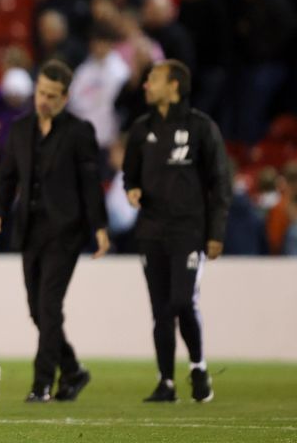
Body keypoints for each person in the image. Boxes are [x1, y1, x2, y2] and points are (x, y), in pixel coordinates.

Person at [0, 60, 109, 403]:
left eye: (52, 96)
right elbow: (8, 177)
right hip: (30, 228)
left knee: (49, 306)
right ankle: (73, 371)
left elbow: (90, 184)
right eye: (41, 92)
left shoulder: (80, 132)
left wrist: (99, 226)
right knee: (37, 309)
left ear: (65, 98)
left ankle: (42, 383)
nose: (44, 100)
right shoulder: (21, 128)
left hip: (66, 230)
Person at [122, 59, 231, 403]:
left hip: (189, 231)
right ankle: (165, 382)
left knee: (183, 301)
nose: (145, 85)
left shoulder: (201, 128)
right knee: (161, 311)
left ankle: (198, 367)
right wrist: (132, 189)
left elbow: (220, 183)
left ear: (174, 86)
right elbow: (130, 174)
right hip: (151, 230)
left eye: (153, 79)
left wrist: (215, 233)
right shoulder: (141, 129)